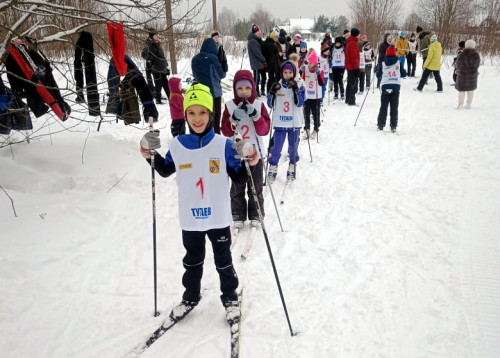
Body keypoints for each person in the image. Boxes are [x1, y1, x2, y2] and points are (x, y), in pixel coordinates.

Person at [139, 83, 258, 324]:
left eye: (202, 112)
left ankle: (230, 298)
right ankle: (190, 297)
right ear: (185, 115)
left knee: (223, 261)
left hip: (218, 217)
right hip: (191, 218)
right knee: (192, 260)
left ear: (210, 114)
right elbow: (163, 170)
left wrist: (249, 158)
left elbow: (239, 178)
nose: (197, 118)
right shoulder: (177, 145)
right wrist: (148, 152)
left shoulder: (224, 145)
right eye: (191, 113)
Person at [220, 70, 271, 228]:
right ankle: (237, 214)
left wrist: (256, 117)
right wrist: (233, 119)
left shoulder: (258, 105)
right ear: (235, 89)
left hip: (255, 152)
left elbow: (264, 130)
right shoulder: (229, 106)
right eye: (240, 89)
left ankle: (256, 213)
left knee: (255, 186)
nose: (243, 92)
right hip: (236, 155)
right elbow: (225, 131)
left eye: (247, 88)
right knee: (236, 188)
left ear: (253, 88)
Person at [266, 61, 305, 183]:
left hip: (294, 123)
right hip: (280, 123)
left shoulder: (299, 85)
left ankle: (292, 166)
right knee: (276, 148)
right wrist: (271, 93)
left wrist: (296, 90)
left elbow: (300, 103)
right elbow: (270, 104)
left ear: (294, 73)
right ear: (282, 73)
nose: (288, 75)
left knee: (293, 148)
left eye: (290, 72)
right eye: (285, 72)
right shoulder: (277, 85)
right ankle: (273, 167)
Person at [191, 37, 225, 134]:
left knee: (203, 118)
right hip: (214, 93)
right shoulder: (213, 58)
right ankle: (216, 137)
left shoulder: (195, 59)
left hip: (201, 93)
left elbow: (194, 75)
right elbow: (220, 74)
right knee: (215, 119)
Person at [376, 45, 406, 132]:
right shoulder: (398, 62)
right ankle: (393, 126)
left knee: (383, 107)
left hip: (385, 87)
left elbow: (378, 75)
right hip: (395, 87)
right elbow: (404, 74)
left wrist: (377, 70)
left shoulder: (383, 63)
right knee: (394, 107)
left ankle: (380, 125)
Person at [142, 28, 171, 104]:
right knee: (158, 85)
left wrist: (165, 66)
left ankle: (170, 98)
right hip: (156, 68)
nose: (157, 36)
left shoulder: (157, 43)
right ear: (152, 36)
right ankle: (158, 100)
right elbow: (144, 55)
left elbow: (162, 56)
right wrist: (151, 59)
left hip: (162, 67)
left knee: (166, 84)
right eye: (155, 35)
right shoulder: (149, 44)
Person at [301, 50, 324, 139]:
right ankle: (306, 129)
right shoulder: (306, 69)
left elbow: (321, 83)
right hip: (307, 96)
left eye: (311, 62)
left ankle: (316, 129)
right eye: (308, 62)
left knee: (315, 114)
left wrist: (318, 74)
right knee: (306, 113)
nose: (309, 64)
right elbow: (300, 80)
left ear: (315, 63)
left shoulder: (320, 70)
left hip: (316, 96)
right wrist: (300, 71)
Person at [455, 39, 480, 109]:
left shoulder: (461, 55)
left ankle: (460, 104)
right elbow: (477, 65)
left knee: (461, 90)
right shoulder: (476, 55)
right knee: (471, 90)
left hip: (462, 74)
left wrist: (459, 69)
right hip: (472, 74)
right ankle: (469, 104)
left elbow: (458, 64)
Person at [247, 24, 267, 96]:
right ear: (255, 33)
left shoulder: (255, 40)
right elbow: (257, 53)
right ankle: (254, 92)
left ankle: (257, 92)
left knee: (258, 78)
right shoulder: (253, 41)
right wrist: (263, 59)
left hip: (258, 63)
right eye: (258, 33)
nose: (260, 34)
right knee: (256, 79)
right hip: (256, 63)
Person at [261, 30, 282, 94]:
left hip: (268, 64)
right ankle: (270, 91)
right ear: (273, 37)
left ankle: (268, 91)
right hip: (271, 65)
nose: (277, 39)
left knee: (270, 78)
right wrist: (278, 54)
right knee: (272, 79)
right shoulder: (271, 45)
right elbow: (272, 56)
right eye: (276, 37)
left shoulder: (266, 43)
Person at [345, 28, 360, 106]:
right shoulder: (352, 43)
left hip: (350, 66)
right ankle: (351, 100)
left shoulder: (351, 42)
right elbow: (354, 57)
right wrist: (356, 68)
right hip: (352, 67)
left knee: (349, 83)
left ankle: (348, 98)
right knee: (353, 84)